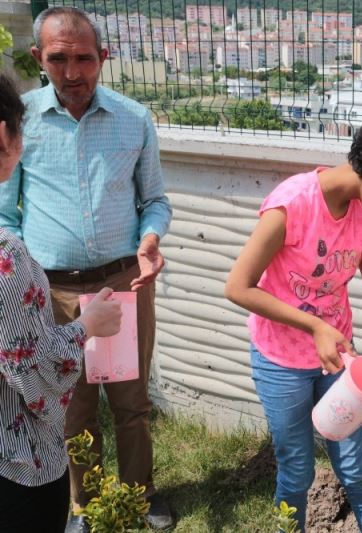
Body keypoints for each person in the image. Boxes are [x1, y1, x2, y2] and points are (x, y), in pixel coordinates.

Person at [0, 7, 173, 531]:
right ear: (38, 57)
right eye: (58, 59)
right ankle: (84, 503)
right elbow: (7, 212)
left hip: (122, 283)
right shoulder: (24, 121)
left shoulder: (133, 118)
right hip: (49, 291)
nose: (72, 72)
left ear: (104, 56)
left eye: (84, 59)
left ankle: (138, 497)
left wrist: (150, 239)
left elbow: (155, 200)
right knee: (69, 405)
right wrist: (20, 275)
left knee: (131, 401)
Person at [225, 114, 362, 532]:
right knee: (297, 470)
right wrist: (315, 326)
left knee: (354, 465)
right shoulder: (292, 205)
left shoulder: (361, 207)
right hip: (281, 361)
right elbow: (237, 287)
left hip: (337, 359)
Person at [0, 74, 122, 533]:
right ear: (4, 136)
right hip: (16, 462)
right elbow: (34, 374)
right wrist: (87, 325)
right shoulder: (6, 257)